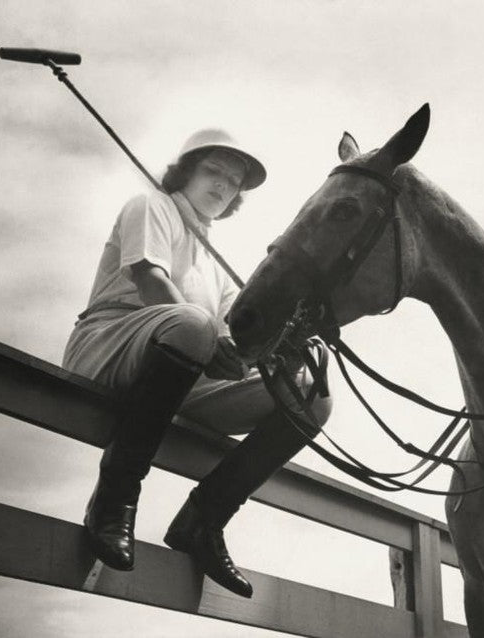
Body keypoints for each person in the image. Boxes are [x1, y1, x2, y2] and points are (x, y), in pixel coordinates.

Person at [63, 129, 331, 598]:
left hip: (180, 369)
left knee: (311, 395)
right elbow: (150, 284)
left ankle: (204, 520)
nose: (223, 185)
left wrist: (280, 348)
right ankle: (113, 503)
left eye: (234, 181)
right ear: (186, 171)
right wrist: (213, 343)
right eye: (214, 171)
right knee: (194, 324)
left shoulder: (216, 261)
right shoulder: (151, 206)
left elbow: (236, 343)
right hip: (108, 345)